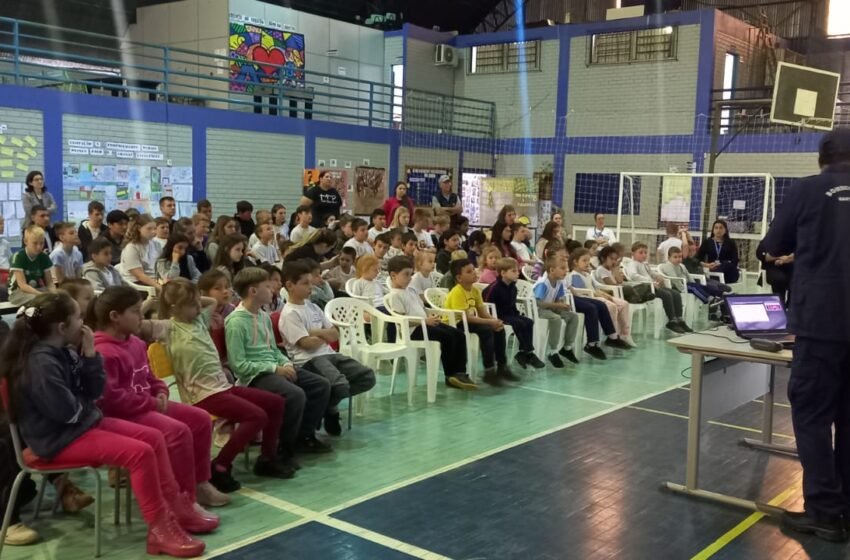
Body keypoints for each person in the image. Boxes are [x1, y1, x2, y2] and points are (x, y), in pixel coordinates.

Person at [0, 293, 208, 558]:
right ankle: (159, 528)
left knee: (154, 438)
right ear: (62, 327)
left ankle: (177, 509)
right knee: (140, 453)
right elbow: (68, 412)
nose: (84, 321)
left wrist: (89, 355)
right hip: (57, 440)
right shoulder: (40, 362)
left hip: (79, 427)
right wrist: (90, 407)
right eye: (77, 317)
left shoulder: (64, 350)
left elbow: (93, 391)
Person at [762, 129, 850, 542]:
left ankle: (825, 513)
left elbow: (773, 244)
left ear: (822, 157)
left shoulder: (809, 189)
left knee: (813, 415)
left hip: (821, 324)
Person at [90, 286, 229, 511]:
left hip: (146, 405)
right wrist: (152, 402)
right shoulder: (103, 351)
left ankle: (200, 484)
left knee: (201, 419)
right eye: (135, 311)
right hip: (123, 415)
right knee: (178, 431)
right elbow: (111, 400)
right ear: (115, 317)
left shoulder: (134, 342)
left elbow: (149, 376)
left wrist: (161, 391)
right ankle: (182, 498)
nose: (141, 316)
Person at [159, 279, 291, 492]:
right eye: (191, 304)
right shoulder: (167, 327)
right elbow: (140, 326)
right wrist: (162, 297)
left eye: (195, 303)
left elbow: (210, 300)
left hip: (222, 386)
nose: (196, 307)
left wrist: (190, 294)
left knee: (275, 403)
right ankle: (220, 466)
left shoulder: (199, 320)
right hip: (200, 394)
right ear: (174, 308)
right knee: (257, 416)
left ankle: (268, 459)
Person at [225, 267, 332, 461]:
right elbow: (238, 365)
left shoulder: (264, 316)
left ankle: (303, 436)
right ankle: (283, 448)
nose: (273, 289)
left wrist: (285, 363)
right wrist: (275, 368)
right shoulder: (235, 322)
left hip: (276, 368)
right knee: (295, 394)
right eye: (267, 286)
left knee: (320, 385)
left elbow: (273, 350)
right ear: (253, 291)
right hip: (255, 376)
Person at [280, 260, 376, 436]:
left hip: (330, 354)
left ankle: (327, 406)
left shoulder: (314, 307)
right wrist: (323, 335)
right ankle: (329, 410)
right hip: (309, 360)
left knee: (367, 377)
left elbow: (335, 334)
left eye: (311, 282)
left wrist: (313, 332)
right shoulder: (289, 313)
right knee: (340, 386)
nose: (311, 287)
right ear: (289, 285)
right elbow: (306, 344)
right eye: (305, 283)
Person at [386, 256, 477, 390]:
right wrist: (424, 321)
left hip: (426, 323)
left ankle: (460, 372)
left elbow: (422, 309)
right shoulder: (394, 295)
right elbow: (401, 321)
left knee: (459, 334)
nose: (410, 278)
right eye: (406, 274)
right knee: (448, 337)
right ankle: (450, 374)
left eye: (411, 274)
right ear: (393, 275)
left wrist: (430, 316)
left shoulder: (411, 290)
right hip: (413, 331)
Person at [445, 259, 515, 387]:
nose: (474, 273)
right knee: (486, 330)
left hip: (468, 321)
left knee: (499, 328)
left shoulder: (475, 290)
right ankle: (489, 371)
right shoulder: (457, 292)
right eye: (469, 271)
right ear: (459, 278)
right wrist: (489, 322)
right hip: (455, 323)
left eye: (473, 270)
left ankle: (502, 367)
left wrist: (494, 321)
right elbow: (466, 317)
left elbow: (482, 312)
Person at [483, 258, 544, 371]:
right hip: (498, 316)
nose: (518, 273)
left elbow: (511, 304)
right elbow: (486, 305)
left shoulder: (513, 287)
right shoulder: (494, 288)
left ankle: (523, 352)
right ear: (503, 273)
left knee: (529, 322)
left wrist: (516, 313)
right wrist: (492, 319)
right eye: (514, 271)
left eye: (517, 271)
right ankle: (528, 353)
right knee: (519, 323)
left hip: (510, 314)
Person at [569, 248, 633, 348]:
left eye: (588, 260)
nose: (587, 263)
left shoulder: (587, 274)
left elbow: (595, 288)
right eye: (584, 260)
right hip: (590, 299)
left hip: (597, 296)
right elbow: (583, 293)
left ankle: (624, 334)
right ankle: (612, 336)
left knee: (624, 304)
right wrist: (601, 296)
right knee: (611, 307)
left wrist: (606, 295)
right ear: (575, 262)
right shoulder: (574, 276)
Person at [626, 242, 691, 333]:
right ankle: (672, 321)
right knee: (667, 295)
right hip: (643, 289)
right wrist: (650, 282)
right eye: (641, 252)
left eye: (645, 252)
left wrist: (658, 277)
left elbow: (652, 273)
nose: (644, 255)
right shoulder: (632, 264)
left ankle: (679, 319)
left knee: (675, 294)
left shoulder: (644, 264)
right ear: (633, 254)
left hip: (652, 286)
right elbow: (633, 276)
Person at [531, 257, 582, 368]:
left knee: (573, 317)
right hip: (537, 310)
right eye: (562, 268)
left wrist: (562, 305)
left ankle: (567, 348)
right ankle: (553, 351)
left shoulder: (559, 282)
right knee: (556, 318)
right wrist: (557, 305)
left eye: (566, 268)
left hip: (549, 308)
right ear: (552, 270)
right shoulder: (543, 283)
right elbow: (538, 303)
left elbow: (558, 298)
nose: (566, 271)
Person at [8, 226, 54, 306]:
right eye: (35, 243)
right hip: (18, 292)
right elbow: (23, 285)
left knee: (60, 297)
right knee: (38, 300)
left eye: (41, 243)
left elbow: (50, 283)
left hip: (36, 289)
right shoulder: (18, 257)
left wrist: (54, 294)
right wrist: (42, 295)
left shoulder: (44, 257)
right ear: (25, 241)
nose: (39, 247)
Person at [120, 214, 160, 289]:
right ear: (139, 228)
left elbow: (161, 267)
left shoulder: (156, 244)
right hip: (136, 284)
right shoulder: (131, 247)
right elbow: (139, 275)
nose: (153, 232)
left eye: (155, 228)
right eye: (149, 229)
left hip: (154, 280)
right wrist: (158, 286)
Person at [696, 219, 740, 284]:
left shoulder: (730, 243)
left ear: (725, 230)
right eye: (716, 228)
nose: (718, 230)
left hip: (729, 272)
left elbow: (735, 260)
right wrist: (707, 265)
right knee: (717, 271)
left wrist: (722, 264)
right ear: (713, 230)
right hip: (712, 269)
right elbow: (698, 259)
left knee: (726, 264)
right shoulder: (707, 242)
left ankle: (718, 280)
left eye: (721, 228)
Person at [756, 239, 793, 307]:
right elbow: (761, 254)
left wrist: (786, 260)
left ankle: (791, 306)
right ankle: (780, 305)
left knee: (797, 280)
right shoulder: (769, 239)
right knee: (779, 279)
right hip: (772, 267)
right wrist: (779, 258)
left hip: (791, 267)